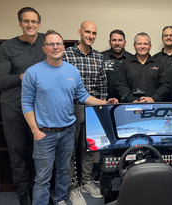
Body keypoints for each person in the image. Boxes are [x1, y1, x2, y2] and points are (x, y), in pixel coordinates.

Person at [21, 30, 118, 205]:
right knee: (42, 177)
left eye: (58, 43)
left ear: (63, 47)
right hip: (44, 133)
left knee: (64, 171)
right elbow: (26, 103)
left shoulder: (72, 71)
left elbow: (84, 96)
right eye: (51, 44)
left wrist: (105, 102)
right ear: (44, 48)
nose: (55, 47)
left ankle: (61, 199)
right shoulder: (33, 72)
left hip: (67, 131)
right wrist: (35, 131)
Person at [0, 7, 45, 205]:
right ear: (20, 24)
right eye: (26, 21)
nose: (30, 25)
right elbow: (0, 82)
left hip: (40, 107)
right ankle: (24, 190)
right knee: (18, 150)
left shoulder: (46, 42)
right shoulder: (7, 47)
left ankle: (39, 189)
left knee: (41, 150)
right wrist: (25, 76)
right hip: (13, 106)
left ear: (39, 23)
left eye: (33, 21)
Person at [63, 21, 107, 205]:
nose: (90, 35)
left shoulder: (98, 56)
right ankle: (73, 187)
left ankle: (87, 182)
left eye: (94, 33)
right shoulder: (66, 54)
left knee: (90, 148)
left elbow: (103, 85)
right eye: (87, 32)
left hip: (94, 108)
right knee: (70, 150)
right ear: (79, 32)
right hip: (71, 109)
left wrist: (102, 108)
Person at [153, 26, 172, 171]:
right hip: (159, 103)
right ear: (162, 38)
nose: (169, 37)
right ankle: (161, 164)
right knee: (160, 135)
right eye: (166, 35)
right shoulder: (155, 59)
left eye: (171, 35)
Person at [116, 32, 170, 103]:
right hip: (131, 106)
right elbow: (120, 85)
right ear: (134, 46)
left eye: (145, 44)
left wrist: (153, 99)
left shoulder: (159, 64)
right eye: (139, 44)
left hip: (153, 106)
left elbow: (165, 85)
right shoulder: (125, 64)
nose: (142, 46)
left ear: (150, 46)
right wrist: (132, 99)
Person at [102, 29, 133, 100]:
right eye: (114, 40)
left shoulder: (131, 59)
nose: (117, 43)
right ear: (110, 42)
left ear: (125, 42)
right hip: (106, 101)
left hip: (127, 101)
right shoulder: (101, 57)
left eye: (120, 40)